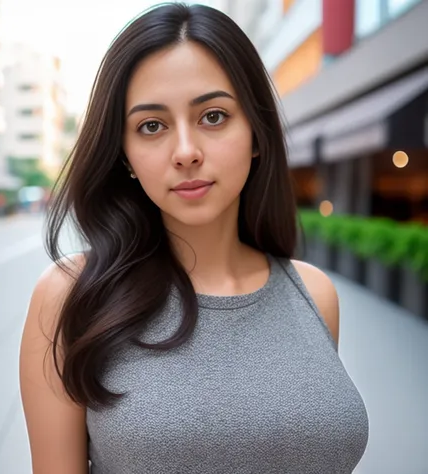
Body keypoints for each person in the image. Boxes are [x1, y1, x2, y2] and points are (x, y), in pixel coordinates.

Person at [19, 3, 369, 473]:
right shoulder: (69, 296)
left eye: (213, 116)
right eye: (152, 126)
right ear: (124, 154)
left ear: (256, 133)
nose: (186, 152)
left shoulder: (314, 294)